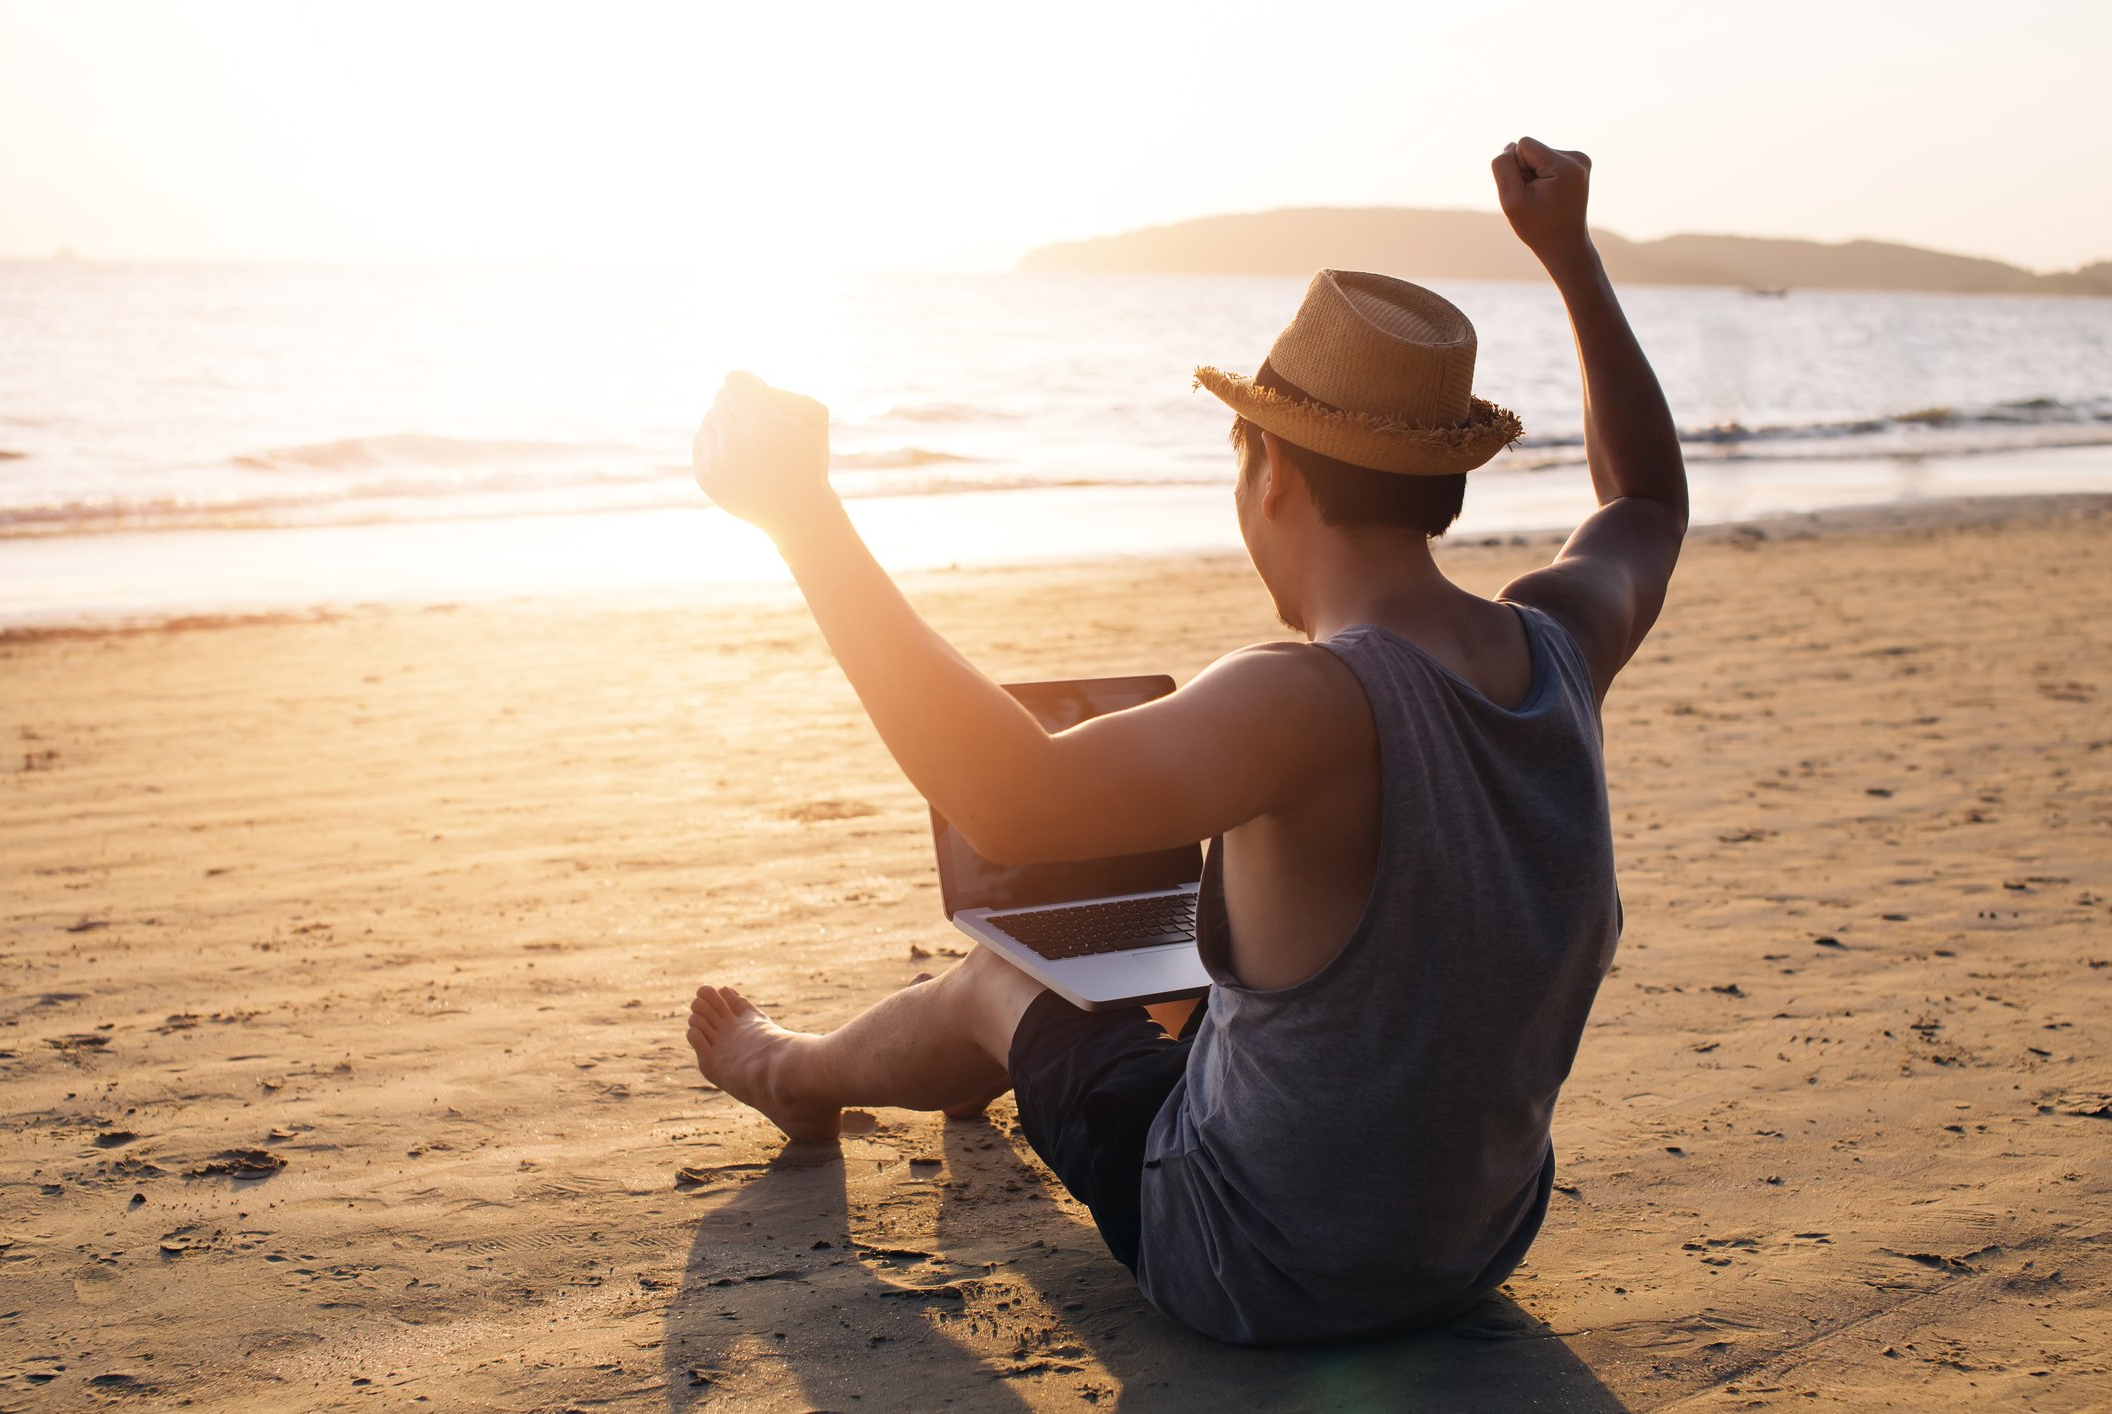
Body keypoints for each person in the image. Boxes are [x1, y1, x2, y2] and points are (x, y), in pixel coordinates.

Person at [683, 137, 1686, 1344]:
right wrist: (1571, 259)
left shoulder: (1306, 699)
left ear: (1269, 476)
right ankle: (974, 1075)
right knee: (1188, 982)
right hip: (1472, 1244)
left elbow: (1009, 799)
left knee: (1009, 975)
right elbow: (1645, 504)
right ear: (1441, 481)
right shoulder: (1561, 644)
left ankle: (790, 1073)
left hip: (1256, 1262)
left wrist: (805, 516)